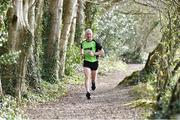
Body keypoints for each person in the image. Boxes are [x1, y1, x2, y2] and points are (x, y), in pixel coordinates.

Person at [80, 29, 104, 99]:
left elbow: (102, 52)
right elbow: (81, 51)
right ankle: (88, 92)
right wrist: (82, 54)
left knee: (93, 78)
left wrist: (94, 53)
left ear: (92, 35)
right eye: (87, 34)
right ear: (85, 35)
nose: (88, 35)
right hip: (86, 62)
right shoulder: (83, 43)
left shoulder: (95, 43)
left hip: (94, 62)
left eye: (90, 34)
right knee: (87, 77)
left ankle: (93, 83)